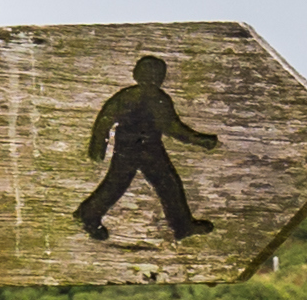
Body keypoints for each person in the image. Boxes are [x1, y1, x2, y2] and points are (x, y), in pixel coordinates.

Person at [76, 54, 222, 241]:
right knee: (158, 185)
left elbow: (105, 120)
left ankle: (183, 225)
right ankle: (88, 215)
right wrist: (201, 140)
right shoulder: (155, 99)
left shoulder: (130, 96)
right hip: (141, 149)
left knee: (154, 184)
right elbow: (174, 128)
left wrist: (98, 147)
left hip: (139, 148)